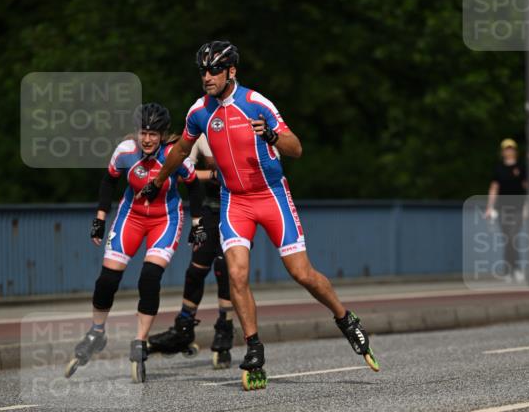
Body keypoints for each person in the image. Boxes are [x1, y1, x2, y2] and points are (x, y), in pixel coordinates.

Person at [138, 40, 379, 390]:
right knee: (236, 274)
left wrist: (271, 135)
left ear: (231, 71)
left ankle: (346, 318)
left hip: (271, 195)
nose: (207, 76)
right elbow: (182, 149)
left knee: (302, 273)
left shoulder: (255, 103)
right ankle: (253, 349)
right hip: (235, 200)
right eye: (203, 70)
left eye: (214, 70)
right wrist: (159, 179)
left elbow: (297, 148)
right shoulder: (199, 112)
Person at [64, 103, 205, 383]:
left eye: (154, 133)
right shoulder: (126, 152)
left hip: (165, 219)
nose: (148, 139)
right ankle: (96, 332)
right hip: (131, 216)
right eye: (144, 132)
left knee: (149, 278)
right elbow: (109, 181)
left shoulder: (174, 154)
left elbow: (194, 186)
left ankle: (140, 341)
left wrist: (198, 224)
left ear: (164, 135)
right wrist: (100, 218)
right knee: (107, 280)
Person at [147, 132, 236, 368]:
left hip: (239, 208)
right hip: (211, 208)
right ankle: (184, 327)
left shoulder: (247, 124)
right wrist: (213, 174)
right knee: (196, 270)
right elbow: (179, 171)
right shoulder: (201, 133)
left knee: (223, 267)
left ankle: (224, 328)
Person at [484, 138, 528, 283]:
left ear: (515, 151)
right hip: (502, 208)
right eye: (506, 149)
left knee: (512, 236)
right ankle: (509, 270)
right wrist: (489, 208)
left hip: (518, 208)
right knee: (507, 239)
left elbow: (528, 186)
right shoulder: (499, 168)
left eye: (511, 149)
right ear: (502, 152)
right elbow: (494, 188)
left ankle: (516, 269)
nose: (509, 151)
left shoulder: (521, 167)